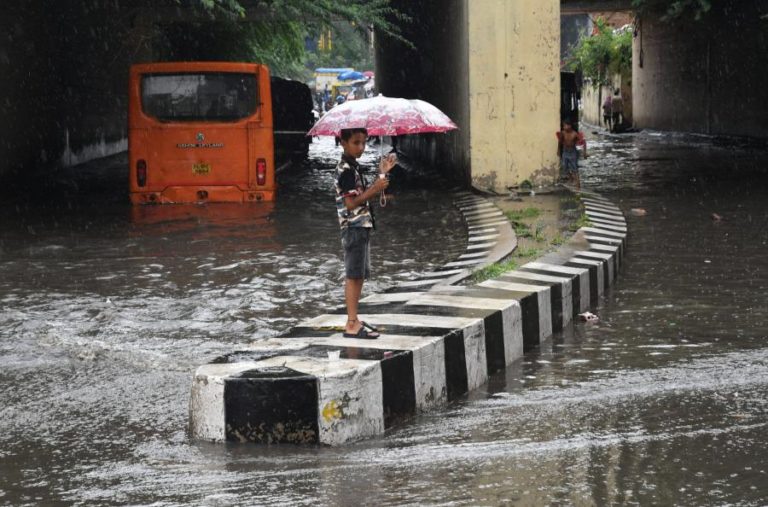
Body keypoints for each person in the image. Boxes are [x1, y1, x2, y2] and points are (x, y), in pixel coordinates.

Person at [335, 128, 397, 339]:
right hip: (353, 228)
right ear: (343, 142)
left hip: (361, 227)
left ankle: (355, 319)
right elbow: (351, 203)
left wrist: (382, 173)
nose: (361, 147)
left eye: (363, 142)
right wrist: (375, 188)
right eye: (355, 143)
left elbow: (363, 195)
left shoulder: (353, 167)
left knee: (360, 274)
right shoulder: (345, 170)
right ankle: (351, 323)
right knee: (353, 275)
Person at [557, 119, 587, 187]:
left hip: (573, 152)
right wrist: (558, 150)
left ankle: (578, 183)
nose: (564, 127)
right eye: (563, 126)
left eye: (565, 126)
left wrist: (584, 153)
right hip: (565, 151)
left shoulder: (575, 134)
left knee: (574, 168)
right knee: (564, 167)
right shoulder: (563, 133)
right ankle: (571, 179)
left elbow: (583, 142)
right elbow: (560, 141)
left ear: (570, 126)